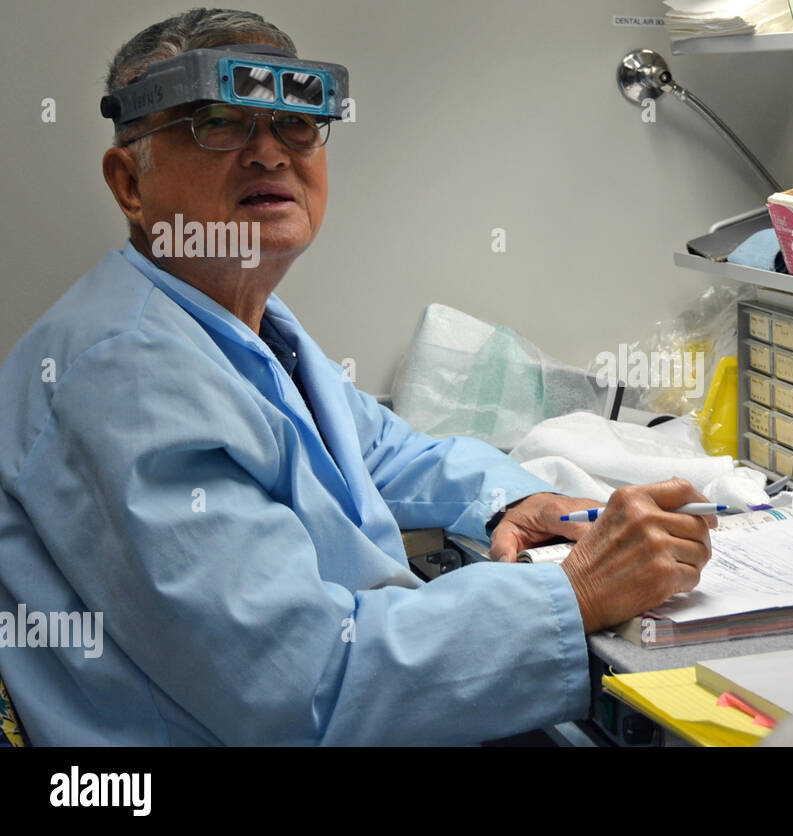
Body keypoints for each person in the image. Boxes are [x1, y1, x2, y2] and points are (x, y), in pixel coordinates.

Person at [0, 8, 712, 745]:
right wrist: (577, 592)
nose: (269, 154)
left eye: (296, 125)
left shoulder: (231, 322)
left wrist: (514, 499)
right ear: (130, 184)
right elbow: (303, 687)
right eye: (219, 122)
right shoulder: (127, 377)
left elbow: (378, 452)